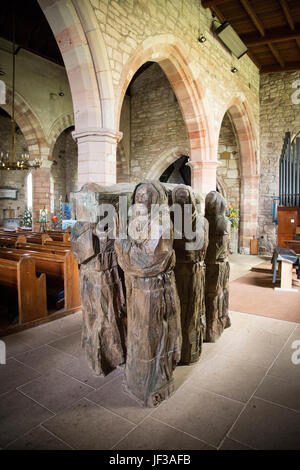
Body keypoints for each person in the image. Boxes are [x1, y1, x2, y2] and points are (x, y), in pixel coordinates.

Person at [115, 180, 182, 407]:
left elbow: (144, 261)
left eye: (146, 196)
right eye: (138, 196)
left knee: (151, 337)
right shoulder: (138, 223)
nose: (140, 200)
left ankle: (152, 383)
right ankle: (140, 378)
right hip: (138, 289)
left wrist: (121, 240)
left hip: (152, 291)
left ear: (156, 200)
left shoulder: (161, 223)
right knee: (139, 335)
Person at [172, 185, 208, 364]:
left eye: (184, 199)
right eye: (178, 199)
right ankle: (177, 350)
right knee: (178, 311)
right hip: (176, 272)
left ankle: (190, 350)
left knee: (191, 310)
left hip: (193, 272)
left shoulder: (201, 222)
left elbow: (202, 248)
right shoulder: (170, 222)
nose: (181, 202)